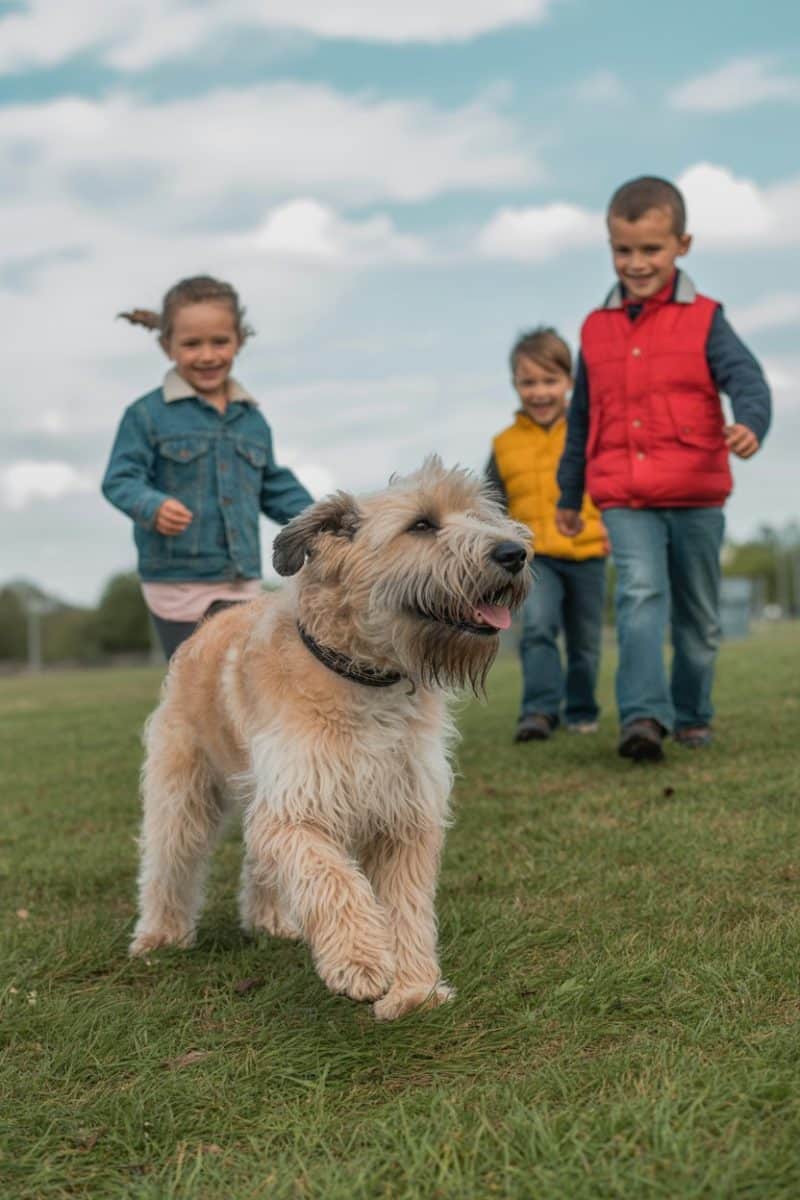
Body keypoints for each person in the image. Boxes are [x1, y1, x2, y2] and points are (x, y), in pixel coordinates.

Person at [556, 176, 771, 762]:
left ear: (683, 245)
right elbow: (581, 419)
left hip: (697, 494)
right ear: (610, 247)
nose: (637, 262)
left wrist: (751, 422)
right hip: (623, 495)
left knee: (698, 618)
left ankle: (693, 714)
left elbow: (747, 381)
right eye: (623, 250)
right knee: (640, 595)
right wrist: (568, 496)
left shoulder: (706, 319)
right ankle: (644, 717)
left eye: (651, 249)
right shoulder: (595, 329)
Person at [102, 275, 313, 659]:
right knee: (195, 684)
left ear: (239, 341)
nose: (208, 355)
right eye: (191, 344)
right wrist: (151, 505)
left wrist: (317, 520)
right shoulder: (146, 415)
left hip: (240, 578)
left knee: (245, 679)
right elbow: (120, 479)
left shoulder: (252, 421)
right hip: (178, 580)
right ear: (167, 346)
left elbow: (272, 484)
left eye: (220, 342)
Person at [487, 327, 608, 742]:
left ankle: (580, 709)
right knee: (537, 628)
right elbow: (492, 506)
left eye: (549, 381)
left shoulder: (590, 433)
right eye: (528, 382)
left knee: (585, 641)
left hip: (590, 552)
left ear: (569, 382)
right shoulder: (503, 445)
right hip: (535, 558)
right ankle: (538, 712)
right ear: (516, 385)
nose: (539, 392)